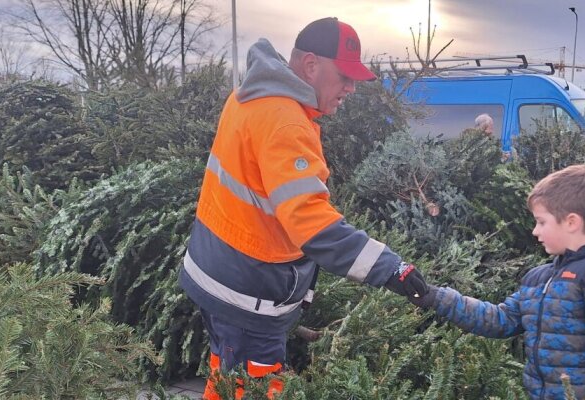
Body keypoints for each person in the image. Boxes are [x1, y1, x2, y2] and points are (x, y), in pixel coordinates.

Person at [178, 17, 429, 399]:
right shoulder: (286, 122)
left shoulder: (253, 96)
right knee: (258, 390)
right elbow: (311, 223)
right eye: (344, 76)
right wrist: (390, 267)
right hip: (248, 294)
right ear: (311, 65)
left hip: (220, 273)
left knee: (227, 380)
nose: (350, 88)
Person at [410, 164, 585, 399]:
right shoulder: (540, 278)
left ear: (571, 222)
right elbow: (500, 320)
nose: (535, 231)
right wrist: (437, 297)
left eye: (542, 222)